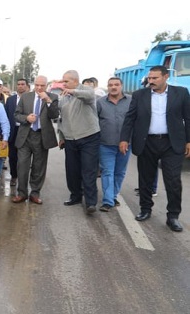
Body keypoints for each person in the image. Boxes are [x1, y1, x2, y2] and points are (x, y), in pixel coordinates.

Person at [119, 65, 190, 232]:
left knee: (173, 181)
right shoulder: (139, 95)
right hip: (147, 142)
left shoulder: (181, 93)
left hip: (171, 143)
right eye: (149, 78)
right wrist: (124, 139)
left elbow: (188, 117)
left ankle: (173, 216)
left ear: (165, 77)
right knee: (146, 179)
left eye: (154, 78)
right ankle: (145, 209)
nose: (150, 81)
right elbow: (130, 118)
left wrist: (189, 141)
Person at [57, 70, 101, 214]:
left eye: (66, 81)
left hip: (88, 136)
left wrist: (73, 91)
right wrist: (61, 137)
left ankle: (90, 203)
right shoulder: (62, 97)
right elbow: (61, 118)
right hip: (70, 139)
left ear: (75, 81)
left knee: (88, 170)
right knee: (72, 170)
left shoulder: (85, 90)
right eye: (63, 82)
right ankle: (75, 196)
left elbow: (90, 96)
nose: (64, 84)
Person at [11, 75, 59, 204]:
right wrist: (26, 118)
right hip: (25, 137)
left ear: (46, 85)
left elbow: (55, 115)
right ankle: (22, 193)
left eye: (42, 85)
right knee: (22, 166)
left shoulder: (53, 97)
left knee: (39, 167)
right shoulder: (26, 97)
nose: (39, 88)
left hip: (41, 137)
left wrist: (48, 101)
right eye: (37, 85)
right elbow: (16, 114)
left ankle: (35, 193)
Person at [96, 77, 131, 211]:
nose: (113, 87)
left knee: (120, 172)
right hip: (105, 143)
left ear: (121, 86)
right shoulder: (100, 102)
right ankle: (108, 201)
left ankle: (113, 195)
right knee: (107, 171)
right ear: (107, 87)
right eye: (110, 85)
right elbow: (95, 121)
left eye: (116, 85)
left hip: (126, 144)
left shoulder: (131, 101)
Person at [4, 78, 29, 186]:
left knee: (24, 157)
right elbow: (5, 116)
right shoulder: (10, 100)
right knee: (12, 156)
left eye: (23, 84)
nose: (20, 86)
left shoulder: (31, 99)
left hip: (26, 131)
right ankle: (14, 176)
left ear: (27, 86)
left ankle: (23, 179)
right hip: (13, 131)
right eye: (18, 84)